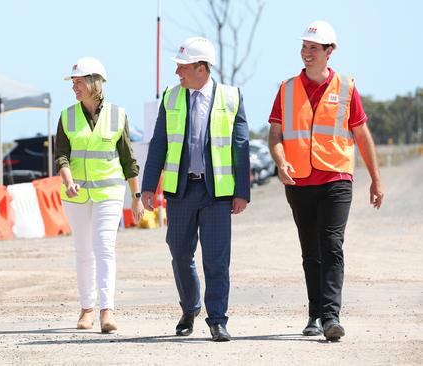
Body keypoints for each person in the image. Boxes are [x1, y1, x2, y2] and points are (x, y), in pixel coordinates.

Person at [268, 20, 384, 342]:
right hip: (299, 181)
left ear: (330, 52)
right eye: (304, 47)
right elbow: (276, 133)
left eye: (313, 48)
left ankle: (331, 316)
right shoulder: (287, 88)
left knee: (332, 244)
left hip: (336, 177)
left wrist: (375, 179)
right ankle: (314, 314)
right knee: (311, 251)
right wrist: (280, 161)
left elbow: (361, 134)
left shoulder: (346, 88)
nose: (306, 53)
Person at [141, 37, 250, 342]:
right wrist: (149, 186)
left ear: (201, 68)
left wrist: (242, 191)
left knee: (217, 259)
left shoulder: (231, 97)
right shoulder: (171, 96)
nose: (177, 72)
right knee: (179, 253)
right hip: (181, 190)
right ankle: (190, 307)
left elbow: (241, 147)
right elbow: (159, 143)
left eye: (182, 66)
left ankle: (217, 319)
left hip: (216, 194)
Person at [56, 57, 144, 333]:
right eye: (73, 83)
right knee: (83, 251)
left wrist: (137, 197)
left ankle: (107, 310)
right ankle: (87, 309)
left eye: (79, 82)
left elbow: (129, 160)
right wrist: (68, 181)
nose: (75, 88)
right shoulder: (67, 116)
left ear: (95, 82)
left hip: (109, 191)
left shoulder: (118, 115)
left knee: (104, 247)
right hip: (77, 194)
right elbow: (61, 155)